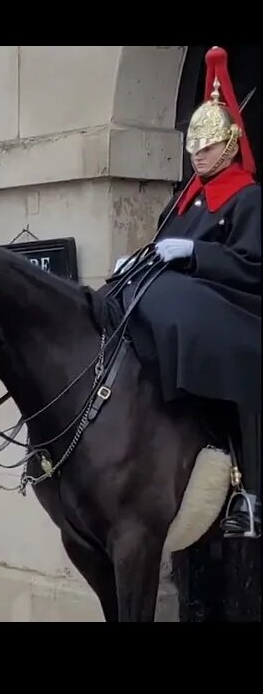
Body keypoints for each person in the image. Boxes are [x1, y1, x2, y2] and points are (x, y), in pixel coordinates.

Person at [116, 46, 260, 539]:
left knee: (175, 307)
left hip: (239, 306)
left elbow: (252, 265)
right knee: (120, 295)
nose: (198, 153)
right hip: (188, 297)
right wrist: (138, 260)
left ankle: (249, 491)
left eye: (208, 145)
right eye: (193, 146)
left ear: (230, 142)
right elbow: (161, 249)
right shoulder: (186, 199)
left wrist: (196, 255)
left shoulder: (247, 197)